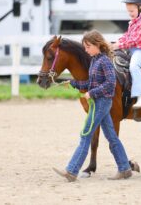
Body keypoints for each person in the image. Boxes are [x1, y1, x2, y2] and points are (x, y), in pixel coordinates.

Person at [53, 30, 132, 181]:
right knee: (112, 137)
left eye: (88, 46)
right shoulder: (95, 60)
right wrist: (73, 83)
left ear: (97, 45)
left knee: (86, 134)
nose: (86, 50)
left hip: (101, 103)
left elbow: (111, 83)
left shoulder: (105, 61)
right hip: (99, 102)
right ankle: (125, 168)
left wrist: (93, 93)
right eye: (85, 47)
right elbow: (91, 82)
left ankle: (71, 170)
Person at [112, 0, 141, 109]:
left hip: (140, 50)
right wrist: (117, 42)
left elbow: (135, 40)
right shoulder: (133, 22)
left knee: (134, 66)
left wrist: (120, 45)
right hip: (132, 49)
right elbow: (127, 35)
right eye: (128, 11)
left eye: (132, 11)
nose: (130, 13)